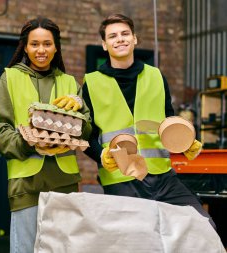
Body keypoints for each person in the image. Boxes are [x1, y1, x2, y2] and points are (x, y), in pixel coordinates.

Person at [82, 13, 216, 229]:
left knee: (202, 226)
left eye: (125, 33)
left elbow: (168, 122)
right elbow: (86, 136)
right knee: (138, 239)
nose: (120, 39)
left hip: (163, 177)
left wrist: (185, 142)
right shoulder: (92, 83)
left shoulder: (156, 76)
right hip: (121, 178)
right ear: (104, 45)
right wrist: (101, 155)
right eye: (113, 36)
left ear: (135, 39)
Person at [0, 17, 91, 253]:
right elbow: (1, 131)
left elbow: (87, 129)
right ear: (25, 47)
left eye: (47, 44)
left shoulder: (69, 82)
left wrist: (79, 108)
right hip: (26, 183)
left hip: (64, 182)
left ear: (56, 47)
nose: (41, 50)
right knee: (24, 249)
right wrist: (27, 142)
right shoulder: (10, 78)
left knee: (62, 249)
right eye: (34, 44)